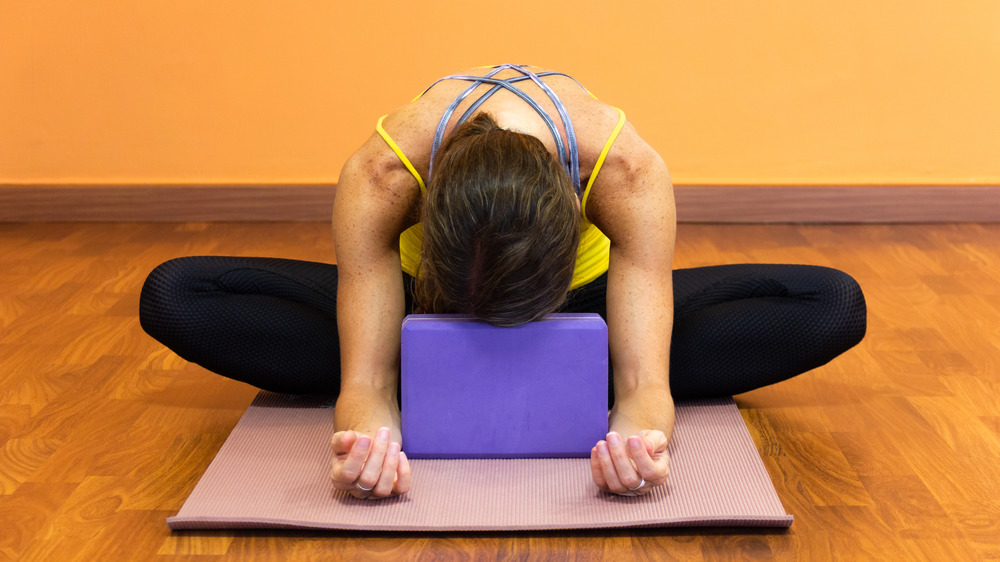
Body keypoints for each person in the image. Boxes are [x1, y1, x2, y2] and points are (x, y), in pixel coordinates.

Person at [139, 64, 867, 501]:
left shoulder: (625, 171)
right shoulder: (382, 175)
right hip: (420, 313)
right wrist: (367, 436)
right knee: (178, 294)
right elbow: (364, 377)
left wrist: (639, 441)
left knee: (829, 304)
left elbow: (646, 380)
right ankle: (516, 367)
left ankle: (560, 353)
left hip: (580, 313)